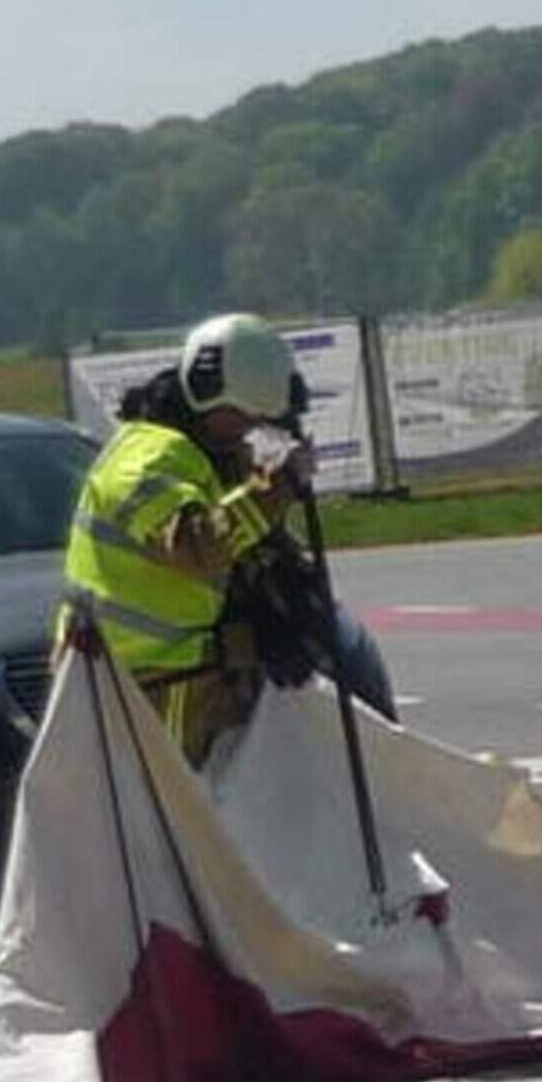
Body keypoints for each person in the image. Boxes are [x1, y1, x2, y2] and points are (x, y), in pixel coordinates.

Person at [68, 313, 390, 768]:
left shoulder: (203, 454)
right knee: (183, 826)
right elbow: (197, 547)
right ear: (209, 401)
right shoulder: (144, 460)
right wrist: (276, 488)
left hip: (181, 676)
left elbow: (246, 549)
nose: (247, 430)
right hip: (139, 686)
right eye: (242, 417)